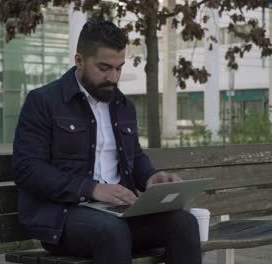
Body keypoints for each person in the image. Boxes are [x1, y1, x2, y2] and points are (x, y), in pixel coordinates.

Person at [12, 19, 201, 264]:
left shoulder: (123, 105)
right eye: (104, 68)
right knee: (111, 231)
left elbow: (134, 157)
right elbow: (27, 169)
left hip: (119, 215)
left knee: (184, 223)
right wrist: (91, 189)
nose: (113, 77)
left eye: (119, 68)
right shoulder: (43, 102)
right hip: (63, 218)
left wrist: (150, 177)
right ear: (79, 60)